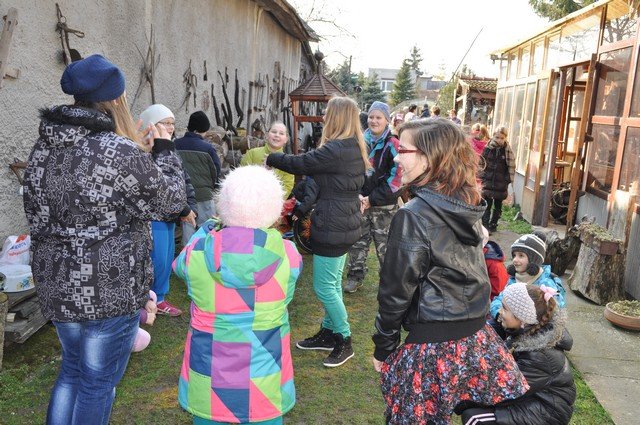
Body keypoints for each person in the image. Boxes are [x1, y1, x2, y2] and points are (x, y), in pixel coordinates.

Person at [23, 54, 186, 425]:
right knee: (97, 383)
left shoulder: (44, 147)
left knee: (72, 371)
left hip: (57, 283)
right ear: (116, 99)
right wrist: (163, 152)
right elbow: (171, 203)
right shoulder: (117, 150)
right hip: (108, 290)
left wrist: (140, 155)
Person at [372, 119, 528, 424]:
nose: (397, 157)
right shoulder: (466, 203)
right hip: (473, 337)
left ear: (429, 157)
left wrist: (384, 347)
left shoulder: (413, 216)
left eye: (403, 149)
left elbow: (394, 293)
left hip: (433, 343)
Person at [174, 166, 301, 425]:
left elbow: (179, 265)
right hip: (264, 384)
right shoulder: (288, 254)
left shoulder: (196, 252)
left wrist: (208, 227)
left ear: (222, 206)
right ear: (275, 210)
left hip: (209, 382)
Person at [266, 96, 368, 367]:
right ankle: (329, 333)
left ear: (337, 117)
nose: (323, 117)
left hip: (334, 225)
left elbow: (301, 163)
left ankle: (344, 339)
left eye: (327, 113)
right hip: (343, 222)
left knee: (324, 287)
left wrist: (272, 157)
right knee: (332, 284)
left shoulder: (336, 149)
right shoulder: (352, 146)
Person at [461, 283, 576, 425]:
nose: (500, 312)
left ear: (522, 319)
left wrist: (460, 399)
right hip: (530, 398)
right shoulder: (524, 332)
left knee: (474, 418)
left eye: (505, 308)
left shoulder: (539, 355)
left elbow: (507, 391)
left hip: (546, 412)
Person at [140, 104, 197, 316]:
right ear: (151, 125)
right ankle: (149, 300)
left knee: (165, 260)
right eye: (165, 123)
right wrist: (183, 209)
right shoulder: (143, 152)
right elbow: (158, 186)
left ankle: (159, 298)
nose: (171, 127)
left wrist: (188, 206)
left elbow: (183, 179)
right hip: (152, 216)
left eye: (173, 123)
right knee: (155, 260)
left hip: (169, 216)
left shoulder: (170, 150)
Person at [344, 101, 402, 293]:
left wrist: (372, 199)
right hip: (360, 203)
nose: (374, 121)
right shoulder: (358, 141)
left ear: (387, 120)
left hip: (384, 207)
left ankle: (389, 283)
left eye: (378, 117)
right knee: (357, 242)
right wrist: (358, 195)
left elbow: (396, 180)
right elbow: (350, 171)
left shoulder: (393, 144)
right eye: (371, 117)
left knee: (386, 247)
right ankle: (355, 276)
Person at [489, 233, 566, 338]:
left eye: (521, 255)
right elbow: (499, 299)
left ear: (534, 259)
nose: (515, 260)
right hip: (510, 321)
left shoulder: (546, 283)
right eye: (514, 255)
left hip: (532, 329)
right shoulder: (514, 279)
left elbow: (554, 311)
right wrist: (499, 314)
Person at [175, 111, 222, 245]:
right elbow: (216, 170)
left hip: (185, 196)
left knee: (188, 229)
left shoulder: (175, 145)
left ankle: (187, 255)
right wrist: (212, 186)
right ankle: (205, 254)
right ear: (203, 129)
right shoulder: (208, 148)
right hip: (204, 194)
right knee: (207, 229)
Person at [240, 121, 294, 198]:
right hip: (249, 199)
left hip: (273, 202)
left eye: (281, 133)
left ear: (286, 139)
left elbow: (287, 187)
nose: (277, 135)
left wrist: (272, 200)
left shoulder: (288, 162)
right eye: (274, 132)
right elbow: (241, 178)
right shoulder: (252, 153)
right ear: (267, 135)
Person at [479, 126, 515, 233]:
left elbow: (511, 166)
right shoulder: (487, 149)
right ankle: (485, 226)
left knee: (498, 205)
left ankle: (494, 224)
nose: (499, 140)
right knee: (487, 205)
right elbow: (481, 163)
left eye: (502, 138)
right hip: (488, 181)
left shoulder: (507, 151)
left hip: (501, 183)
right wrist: (482, 177)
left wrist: (506, 180)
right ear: (493, 136)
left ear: (505, 138)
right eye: (497, 137)